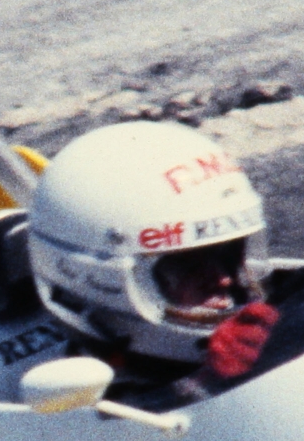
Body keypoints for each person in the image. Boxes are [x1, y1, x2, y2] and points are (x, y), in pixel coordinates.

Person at [24, 120, 282, 391]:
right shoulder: (90, 406)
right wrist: (207, 381)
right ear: (99, 281)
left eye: (228, 255)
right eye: (188, 267)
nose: (224, 280)